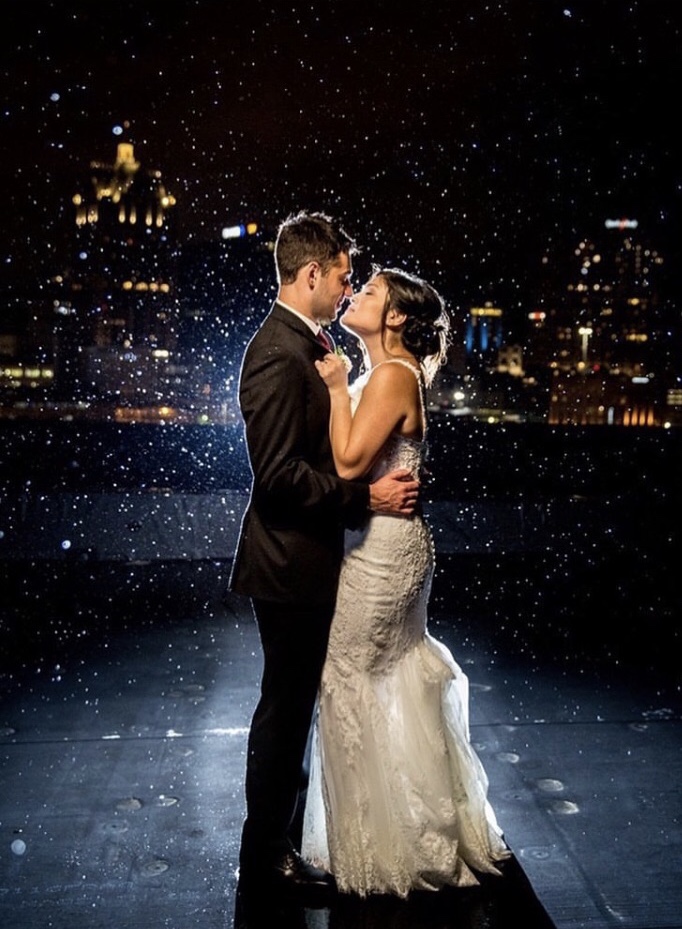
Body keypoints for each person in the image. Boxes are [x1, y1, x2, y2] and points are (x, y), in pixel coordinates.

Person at [301, 266, 511, 898]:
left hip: (383, 554)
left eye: (368, 292)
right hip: (379, 543)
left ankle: (382, 847)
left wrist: (337, 388)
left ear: (394, 317)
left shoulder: (390, 375)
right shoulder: (388, 373)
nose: (355, 295)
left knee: (349, 679)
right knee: (379, 681)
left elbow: (347, 461)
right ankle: (398, 828)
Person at [228, 213, 420, 896]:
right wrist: (365, 500)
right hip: (287, 563)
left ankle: (276, 841)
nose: (345, 288)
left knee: (293, 703)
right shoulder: (279, 353)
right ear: (311, 273)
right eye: (342, 276)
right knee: (284, 708)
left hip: (304, 558)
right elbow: (278, 475)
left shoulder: (303, 343)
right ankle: (265, 854)